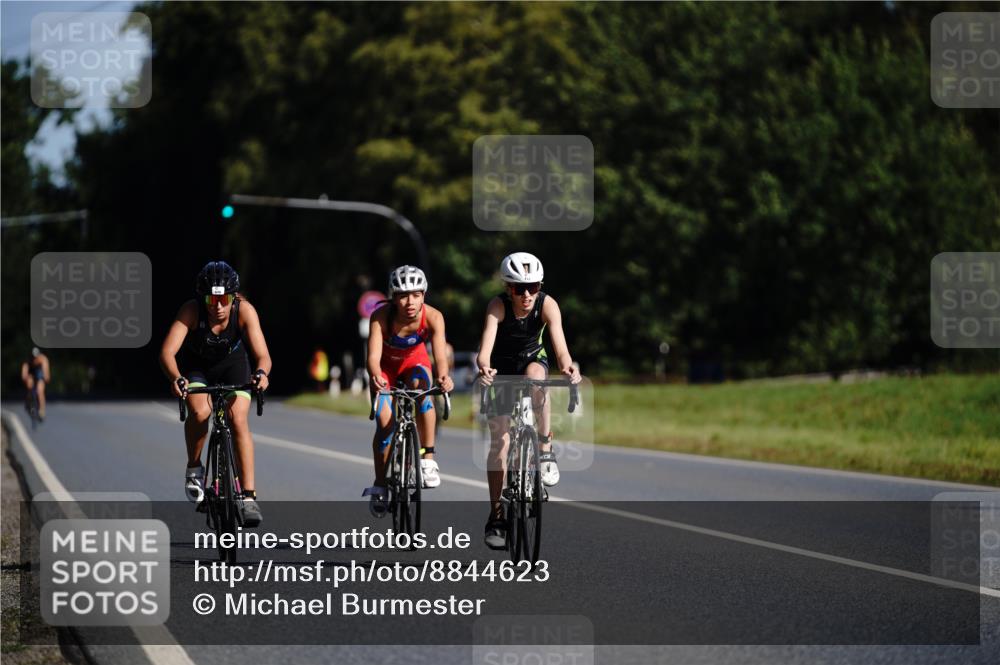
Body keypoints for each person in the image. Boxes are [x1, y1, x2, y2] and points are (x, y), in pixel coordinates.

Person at [476, 252, 582, 550]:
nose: (526, 295)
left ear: (540, 286)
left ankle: (545, 448)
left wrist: (568, 366)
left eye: (532, 287)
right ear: (507, 288)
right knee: (500, 443)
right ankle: (496, 515)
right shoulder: (497, 306)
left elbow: (560, 347)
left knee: (537, 377)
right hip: (502, 368)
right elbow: (485, 348)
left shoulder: (547, 304)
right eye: (518, 288)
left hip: (532, 359)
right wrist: (484, 367)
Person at [159, 261, 272, 527]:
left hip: (234, 367)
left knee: (238, 418)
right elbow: (167, 352)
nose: (217, 305)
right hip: (199, 369)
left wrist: (262, 374)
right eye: (212, 298)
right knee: (200, 411)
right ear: (203, 297)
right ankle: (194, 467)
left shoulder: (244, 311)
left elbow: (263, 355)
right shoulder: (190, 310)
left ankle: (247, 496)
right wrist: (176, 377)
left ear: (233, 297)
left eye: (224, 298)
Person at [363, 265, 454, 517]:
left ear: (424, 294)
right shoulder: (380, 317)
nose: (409, 302)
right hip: (385, 368)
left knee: (423, 391)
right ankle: (380, 484)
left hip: (415, 362)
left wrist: (444, 377)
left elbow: (440, 357)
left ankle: (428, 459)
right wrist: (375, 377)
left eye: (415, 294)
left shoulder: (434, 317)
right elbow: (373, 357)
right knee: (385, 424)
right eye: (403, 295)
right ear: (393, 298)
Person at [21, 347, 50, 420]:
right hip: (31, 374)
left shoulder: (43, 359)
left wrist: (45, 378)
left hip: (39, 375)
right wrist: (26, 378)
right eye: (33, 357)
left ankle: (42, 410)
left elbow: (46, 373)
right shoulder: (27, 361)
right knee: (29, 383)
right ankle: (29, 401)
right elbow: (24, 374)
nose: (35, 359)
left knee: (40, 390)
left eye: (36, 357)